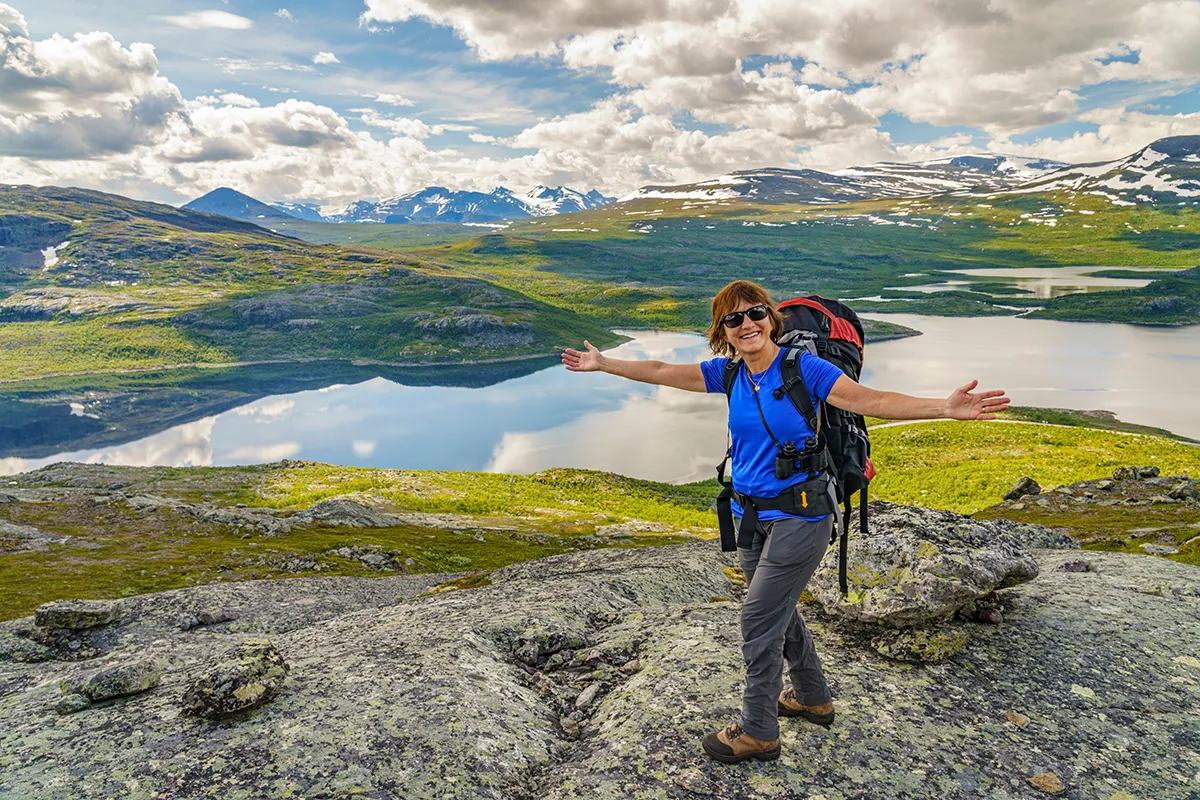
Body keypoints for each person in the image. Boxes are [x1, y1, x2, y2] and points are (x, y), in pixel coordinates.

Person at [561, 279, 1010, 765]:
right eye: (734, 319)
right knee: (776, 611)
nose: (746, 324)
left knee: (757, 616)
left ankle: (758, 731)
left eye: (755, 313)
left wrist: (942, 409)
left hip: (803, 513)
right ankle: (813, 698)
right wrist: (605, 364)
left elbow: (870, 401)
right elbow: (661, 369)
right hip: (749, 515)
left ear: (770, 319)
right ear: (723, 332)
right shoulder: (729, 374)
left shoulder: (803, 368)